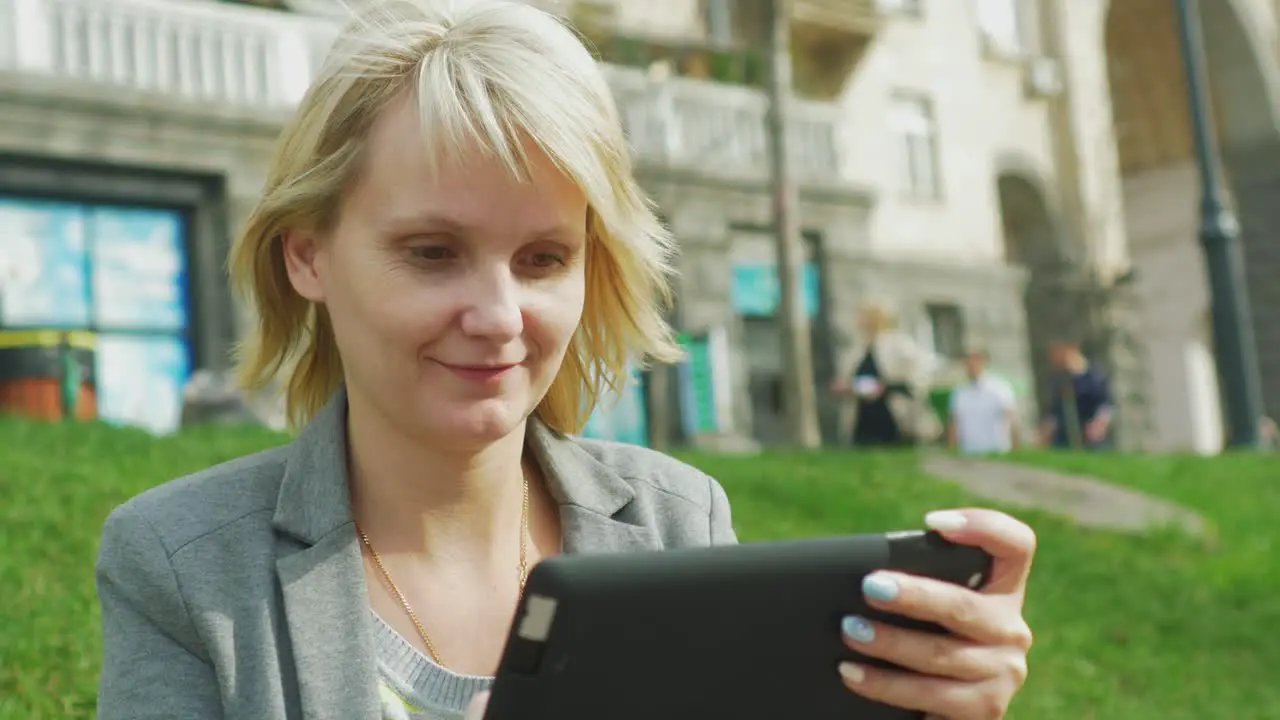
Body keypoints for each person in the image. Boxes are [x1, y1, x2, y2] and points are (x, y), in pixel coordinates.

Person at [94, 2, 1037, 719]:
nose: (500, 316)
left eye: (544, 259)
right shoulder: (181, 567)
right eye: (432, 252)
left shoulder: (678, 520)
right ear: (308, 254)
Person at [831, 301, 940, 448]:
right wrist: (846, 387)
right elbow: (850, 379)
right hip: (862, 416)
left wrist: (887, 387)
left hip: (893, 416)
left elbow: (918, 375)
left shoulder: (898, 344)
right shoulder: (857, 349)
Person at [1039, 341, 1113, 450]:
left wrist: (1099, 424)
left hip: (1089, 431)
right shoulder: (1061, 380)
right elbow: (1055, 410)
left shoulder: (1094, 378)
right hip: (1064, 433)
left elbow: (1104, 405)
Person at [948, 349, 1020, 455]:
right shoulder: (960, 392)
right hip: (969, 452)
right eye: (968, 363)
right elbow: (954, 423)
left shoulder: (1000, 388)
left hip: (996, 450)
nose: (971, 367)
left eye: (974, 363)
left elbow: (1012, 418)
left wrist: (1016, 447)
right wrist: (952, 448)